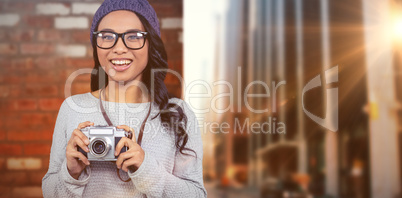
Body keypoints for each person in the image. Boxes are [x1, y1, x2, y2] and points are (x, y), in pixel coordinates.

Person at [41, 0, 207, 197]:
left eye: (133, 36)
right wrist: (72, 172)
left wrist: (145, 167)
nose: (119, 48)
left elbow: (196, 195)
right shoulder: (73, 108)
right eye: (107, 36)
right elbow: (50, 192)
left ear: (150, 44)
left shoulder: (178, 113)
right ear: (96, 44)